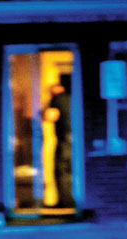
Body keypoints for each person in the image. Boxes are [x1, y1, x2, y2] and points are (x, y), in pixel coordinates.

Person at [45, 74, 73, 208]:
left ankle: (64, 201)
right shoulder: (72, 99)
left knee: (60, 170)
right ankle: (70, 200)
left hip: (63, 141)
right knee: (70, 170)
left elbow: (49, 116)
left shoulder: (57, 99)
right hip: (73, 140)